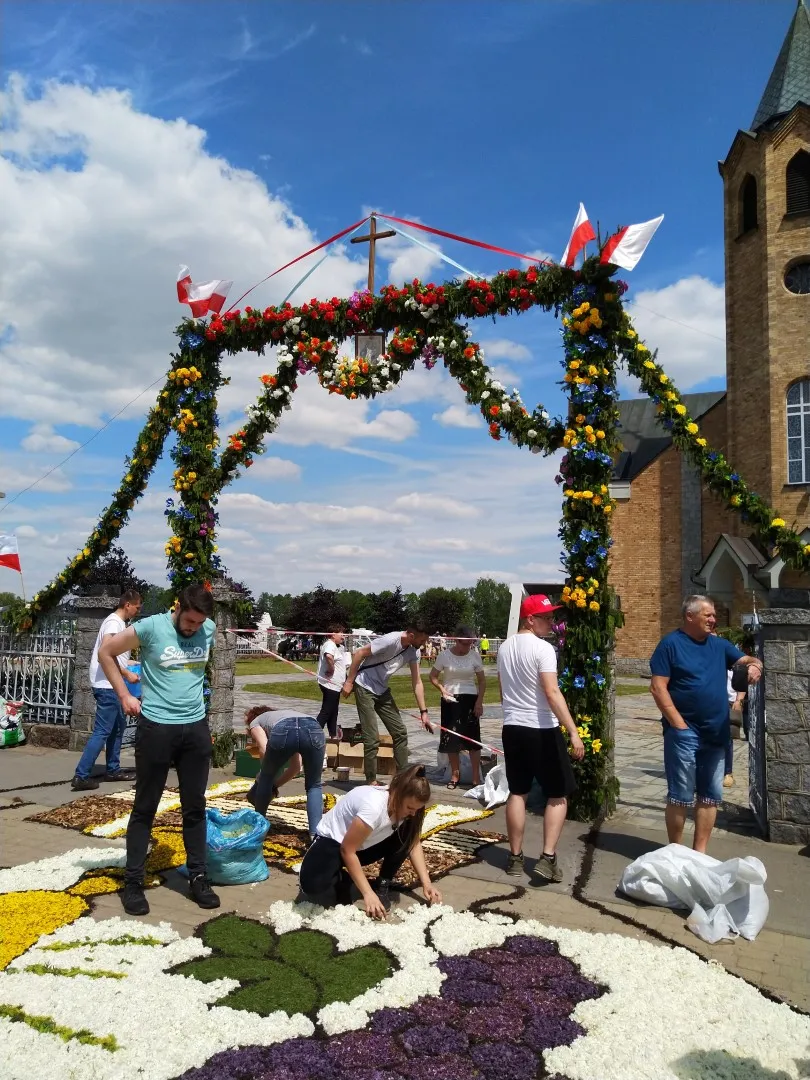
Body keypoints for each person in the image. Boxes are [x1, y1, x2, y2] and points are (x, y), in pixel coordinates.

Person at [98, 583, 220, 917]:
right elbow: (106, 653)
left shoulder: (208, 628)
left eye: (199, 623)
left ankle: (198, 876)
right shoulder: (151, 626)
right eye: (189, 621)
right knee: (146, 806)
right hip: (157, 728)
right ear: (178, 607)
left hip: (195, 728)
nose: (193, 627)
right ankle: (133, 883)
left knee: (195, 806)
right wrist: (124, 695)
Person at [650, 595, 762, 853]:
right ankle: (675, 853)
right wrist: (678, 724)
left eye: (713, 615)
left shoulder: (719, 645)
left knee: (710, 796)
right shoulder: (670, 645)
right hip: (684, 733)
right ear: (690, 616)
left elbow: (744, 660)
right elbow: (658, 688)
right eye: (708, 615)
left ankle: (699, 854)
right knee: (680, 795)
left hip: (716, 732)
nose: (713, 619)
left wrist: (756, 665)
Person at [497, 594, 584, 884]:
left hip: (513, 726)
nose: (552, 622)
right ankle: (547, 857)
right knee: (558, 793)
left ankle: (515, 856)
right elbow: (551, 692)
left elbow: (502, 688)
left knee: (518, 791)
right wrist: (572, 730)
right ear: (530, 619)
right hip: (541, 728)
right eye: (546, 618)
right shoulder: (543, 649)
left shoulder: (505, 647)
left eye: (552, 617)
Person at [298, 764, 442, 917]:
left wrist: (426, 883)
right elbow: (347, 850)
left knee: (408, 830)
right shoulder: (373, 806)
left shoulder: (410, 808)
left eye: (416, 809)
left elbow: (413, 842)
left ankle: (383, 884)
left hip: (363, 845)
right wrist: (367, 893)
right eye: (409, 808)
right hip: (333, 842)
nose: (413, 814)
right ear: (397, 794)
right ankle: (346, 879)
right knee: (313, 887)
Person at [342, 622, 433, 784]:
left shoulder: (414, 651)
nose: (424, 644)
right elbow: (359, 653)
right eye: (422, 640)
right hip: (364, 686)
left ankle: (403, 779)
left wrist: (423, 712)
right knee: (372, 738)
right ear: (412, 635)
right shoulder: (390, 640)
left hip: (382, 690)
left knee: (400, 732)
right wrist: (349, 682)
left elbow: (417, 682)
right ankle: (371, 781)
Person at [72, 590, 143, 791]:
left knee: (118, 727)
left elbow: (115, 656)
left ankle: (113, 769)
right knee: (103, 731)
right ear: (127, 604)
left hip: (110, 684)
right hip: (108, 685)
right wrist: (127, 674)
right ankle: (81, 774)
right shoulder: (114, 623)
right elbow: (106, 655)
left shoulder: (117, 623)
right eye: (137, 607)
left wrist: (131, 664)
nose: (137, 611)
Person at [245, 705, 326, 837]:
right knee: (314, 785)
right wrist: (275, 785)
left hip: (284, 731)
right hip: (314, 729)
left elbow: (264, 750)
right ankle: (315, 836)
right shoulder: (284, 716)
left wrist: (264, 777)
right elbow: (296, 768)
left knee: (265, 778)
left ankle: (258, 831)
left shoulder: (256, 722)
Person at [429, 625, 486, 789]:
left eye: (469, 644)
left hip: (470, 699)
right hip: (450, 699)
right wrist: (441, 689)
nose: (466, 648)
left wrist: (479, 702)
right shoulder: (444, 656)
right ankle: (455, 774)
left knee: (473, 739)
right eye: (463, 644)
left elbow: (482, 681)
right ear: (456, 640)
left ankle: (476, 777)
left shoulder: (475, 656)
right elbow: (432, 676)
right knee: (451, 739)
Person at [317, 624, 349, 739]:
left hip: (336, 685)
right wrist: (331, 669)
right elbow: (329, 656)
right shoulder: (329, 644)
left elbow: (343, 663)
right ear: (333, 634)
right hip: (329, 683)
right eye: (341, 633)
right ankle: (312, 734)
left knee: (333, 711)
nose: (343, 636)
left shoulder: (339, 646)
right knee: (326, 711)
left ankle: (333, 735)